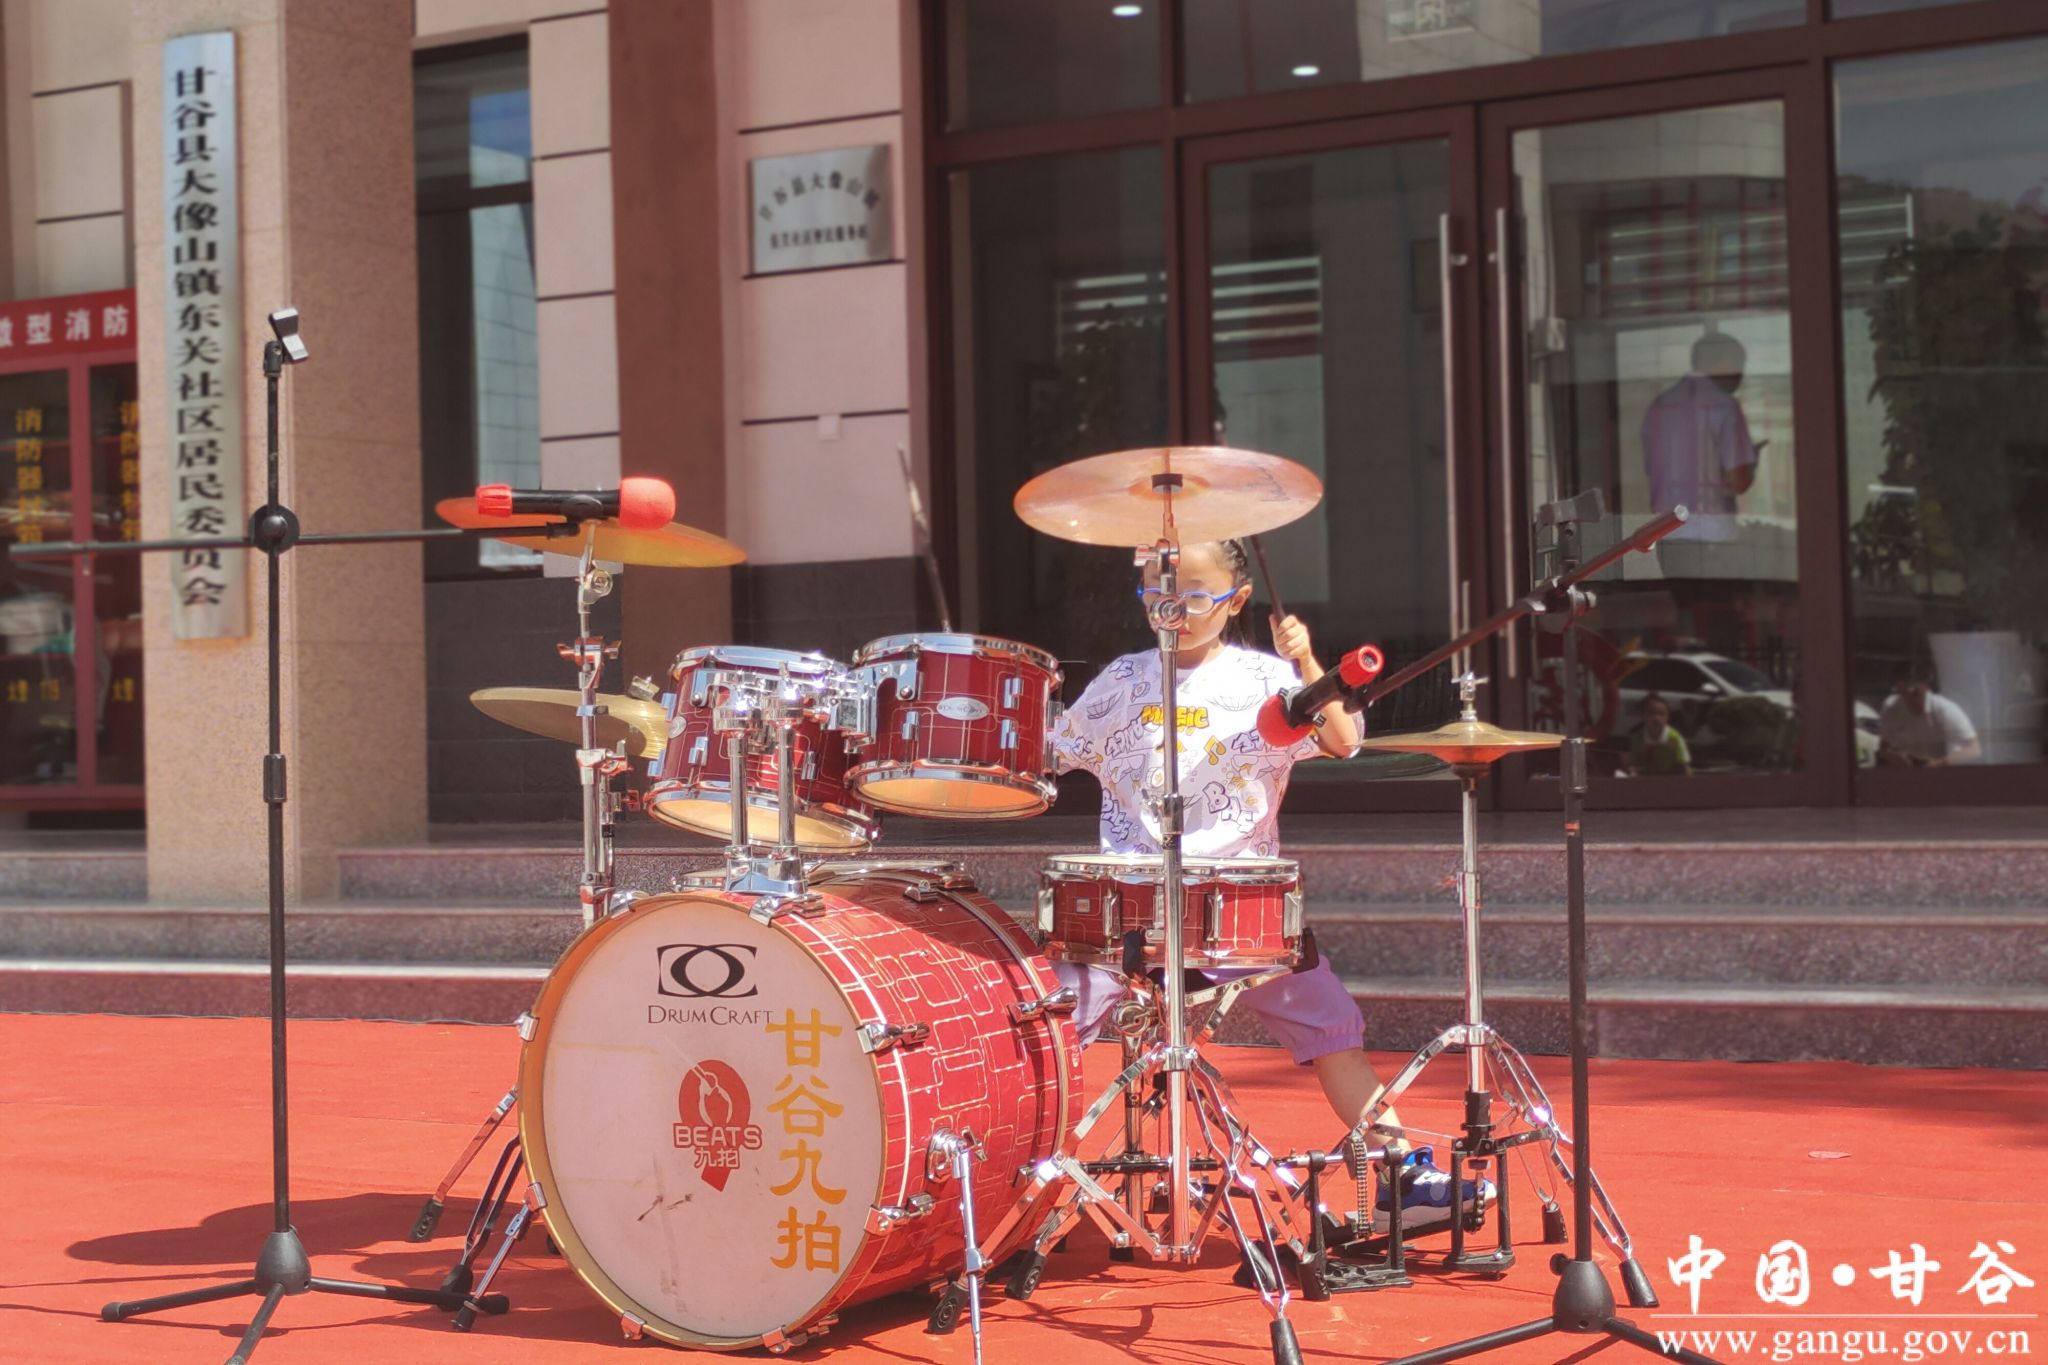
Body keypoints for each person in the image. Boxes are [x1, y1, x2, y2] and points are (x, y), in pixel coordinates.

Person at [1047, 537, 1485, 1236]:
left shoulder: (1265, 679)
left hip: (1236, 906)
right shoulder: (1122, 679)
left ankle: (1399, 1171)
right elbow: (1051, 751)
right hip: (1127, 905)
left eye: (1195, 595)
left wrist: (1307, 660)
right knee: (1049, 1020)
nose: (1173, 608)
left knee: (1328, 1017)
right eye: (1158, 594)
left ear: (1237, 599)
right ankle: (1016, 1171)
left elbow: (1342, 739)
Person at [1643, 329, 1760, 543]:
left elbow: (1652, 469)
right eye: (1738, 365)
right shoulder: (1725, 406)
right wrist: (1751, 461)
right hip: (1714, 534)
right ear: (1720, 362)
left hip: (1666, 533)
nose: (1741, 375)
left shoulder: (1660, 406)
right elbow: (1739, 481)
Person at [1877, 668, 1981, 767]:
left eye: (1915, 693)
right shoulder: (1891, 707)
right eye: (1903, 692)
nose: (1909, 699)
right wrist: (1895, 757)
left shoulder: (1943, 709)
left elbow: (1974, 749)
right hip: (1905, 772)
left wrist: (1937, 764)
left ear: (1926, 687)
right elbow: (1883, 749)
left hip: (1941, 772)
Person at [1627, 693, 1692, 777]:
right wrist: (1632, 772)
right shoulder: (1636, 738)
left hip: (1670, 780)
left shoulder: (1675, 738)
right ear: (1642, 715)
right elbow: (1632, 764)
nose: (1657, 718)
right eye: (1651, 713)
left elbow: (1685, 767)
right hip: (1645, 780)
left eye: (1662, 714)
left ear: (1667, 717)